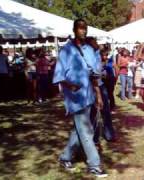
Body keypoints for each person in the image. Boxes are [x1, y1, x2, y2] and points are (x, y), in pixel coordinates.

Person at [53, 19, 107, 177]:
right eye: (80, 28)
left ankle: (65, 158)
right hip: (75, 97)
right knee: (86, 130)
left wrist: (97, 52)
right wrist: (69, 86)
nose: (83, 31)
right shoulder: (66, 50)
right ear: (74, 29)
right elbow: (58, 74)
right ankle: (94, 165)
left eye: (85, 29)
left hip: (88, 95)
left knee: (79, 131)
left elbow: (96, 72)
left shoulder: (90, 49)